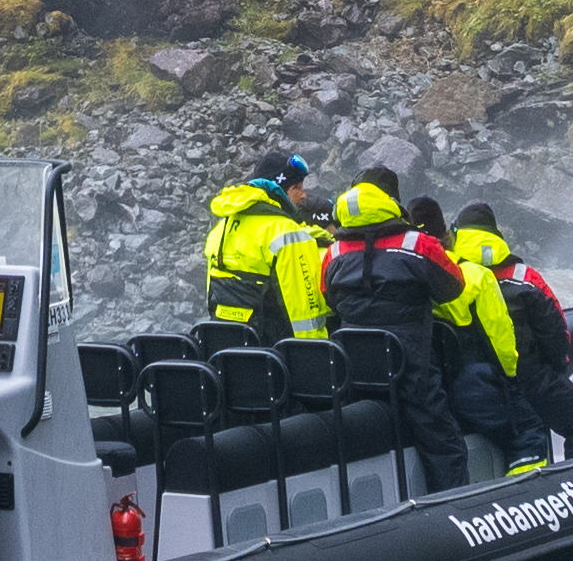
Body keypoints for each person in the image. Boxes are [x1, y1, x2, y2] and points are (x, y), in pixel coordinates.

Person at [309, 171, 470, 457]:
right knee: (442, 442)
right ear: (391, 201)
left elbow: (329, 299)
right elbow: (453, 287)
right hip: (411, 361)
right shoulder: (418, 245)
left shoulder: (333, 253)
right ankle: (451, 498)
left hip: (354, 364)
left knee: (366, 442)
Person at [455, 204, 573, 459]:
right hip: (528, 377)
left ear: (458, 234)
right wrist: (556, 370)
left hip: (470, 384)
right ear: (496, 235)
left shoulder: (451, 275)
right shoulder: (524, 277)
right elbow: (555, 331)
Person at [198, 152, 328, 342]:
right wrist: (313, 352)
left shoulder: (222, 227)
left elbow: (212, 296)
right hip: (272, 353)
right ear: (279, 191)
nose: (304, 195)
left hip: (224, 346)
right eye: (296, 187)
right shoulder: (287, 233)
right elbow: (304, 310)